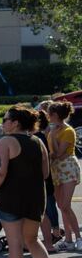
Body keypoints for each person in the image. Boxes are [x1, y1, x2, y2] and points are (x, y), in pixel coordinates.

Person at [0, 106, 61, 258]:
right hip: (36, 198)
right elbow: (45, 173)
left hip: (11, 197)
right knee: (32, 239)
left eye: (5, 120)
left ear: (15, 123)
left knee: (14, 244)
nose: (3, 124)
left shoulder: (6, 142)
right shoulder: (38, 141)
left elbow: (2, 171)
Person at [46, 101, 81, 250]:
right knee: (61, 206)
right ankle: (68, 239)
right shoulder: (52, 130)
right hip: (56, 169)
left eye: (49, 114)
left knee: (65, 205)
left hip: (67, 167)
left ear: (55, 115)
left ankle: (78, 238)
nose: (48, 116)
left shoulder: (68, 131)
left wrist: (52, 136)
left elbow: (59, 154)